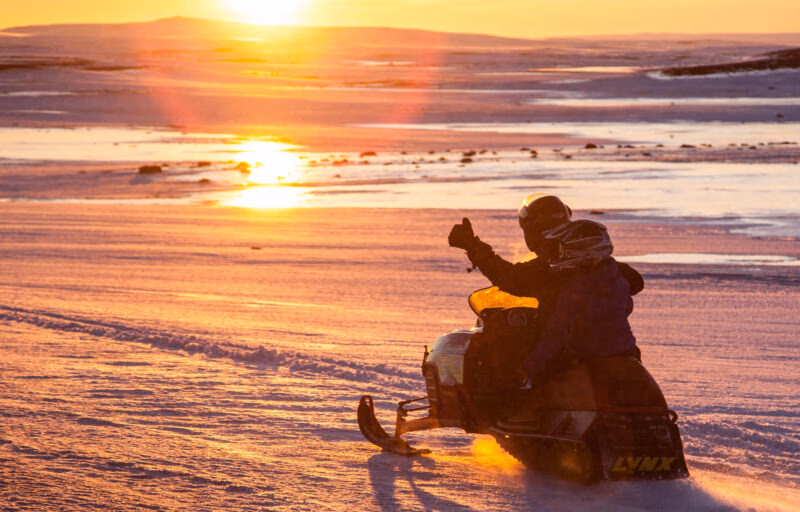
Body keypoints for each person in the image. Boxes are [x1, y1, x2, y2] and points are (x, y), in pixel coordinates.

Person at [448, 193, 644, 389]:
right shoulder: (601, 266)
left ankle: (505, 407)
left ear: (532, 230)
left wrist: (473, 247)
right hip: (623, 350)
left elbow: (512, 278)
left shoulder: (557, 270)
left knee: (506, 358)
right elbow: (634, 283)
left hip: (573, 352)